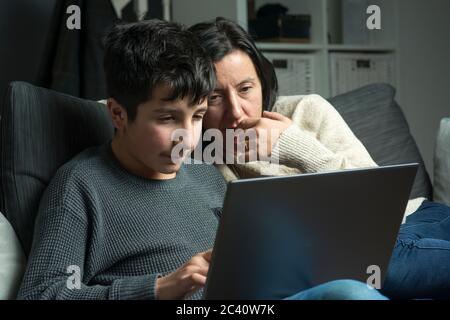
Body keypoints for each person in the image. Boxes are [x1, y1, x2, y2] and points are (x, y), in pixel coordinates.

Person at [17, 20, 385, 300]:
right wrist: (158, 288)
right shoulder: (81, 187)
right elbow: (39, 293)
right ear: (117, 115)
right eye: (167, 118)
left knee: (348, 291)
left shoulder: (204, 168)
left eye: (196, 116)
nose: (188, 138)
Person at [189, 17, 450, 299]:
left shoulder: (306, 110)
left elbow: (378, 199)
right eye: (215, 97)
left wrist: (292, 144)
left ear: (262, 81)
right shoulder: (198, 157)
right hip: (337, 253)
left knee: (366, 267)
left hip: (409, 222)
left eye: (245, 89)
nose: (236, 112)